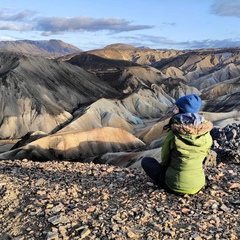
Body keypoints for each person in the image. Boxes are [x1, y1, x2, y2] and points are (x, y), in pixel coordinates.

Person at [141, 94, 213, 195]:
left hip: (174, 185)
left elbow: (165, 158)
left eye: (176, 108)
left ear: (182, 111)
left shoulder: (174, 134)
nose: (174, 111)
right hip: (198, 184)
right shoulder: (205, 133)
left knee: (146, 161)